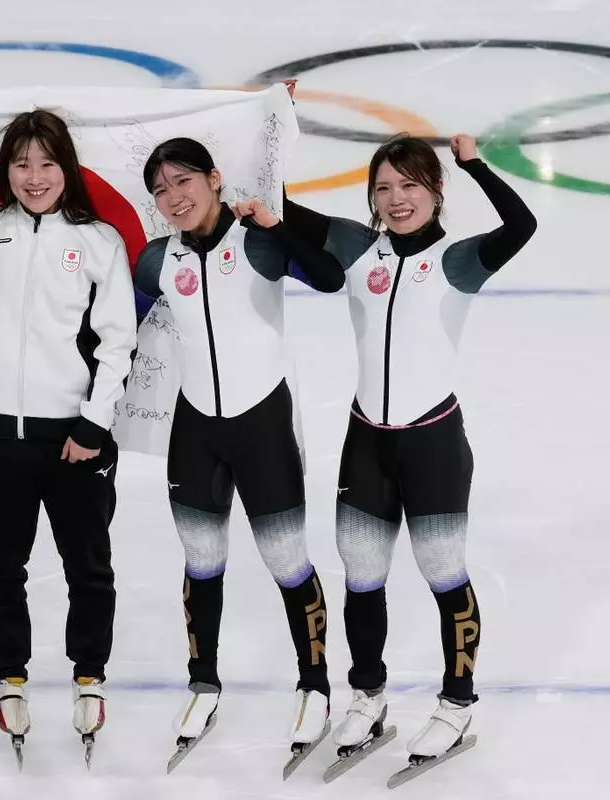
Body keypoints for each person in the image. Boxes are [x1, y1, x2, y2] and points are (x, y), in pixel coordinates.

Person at [261, 131, 537, 764]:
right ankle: (367, 695)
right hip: (366, 443)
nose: (396, 198)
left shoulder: (460, 260)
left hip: (434, 444)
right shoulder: (357, 247)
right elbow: (272, 196)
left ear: (435, 191)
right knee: (362, 577)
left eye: (410, 185)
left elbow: (522, 224)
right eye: (383, 188)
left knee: (443, 574)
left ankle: (457, 702)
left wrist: (476, 166)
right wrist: (279, 118)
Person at [0, 109, 136, 761]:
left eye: (47, 163)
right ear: (4, 172)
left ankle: (88, 676)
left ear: (66, 167)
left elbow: (118, 339)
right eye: (20, 163)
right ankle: (9, 678)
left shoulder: (97, 240)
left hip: (75, 436)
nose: (34, 176)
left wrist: (94, 424)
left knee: (88, 567)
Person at [132, 137, 346, 759]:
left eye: (184, 181)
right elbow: (115, 329)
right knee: (202, 562)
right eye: (161, 190)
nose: (174, 198)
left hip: (263, 427)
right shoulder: (154, 261)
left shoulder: (256, 242)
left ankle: (315, 685)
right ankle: (204, 681)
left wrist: (277, 225)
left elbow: (329, 280)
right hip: (195, 428)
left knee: (286, 560)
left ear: (215, 178)